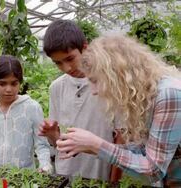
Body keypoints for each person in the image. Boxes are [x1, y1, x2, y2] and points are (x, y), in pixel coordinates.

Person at [56, 34, 181, 187]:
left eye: (95, 80)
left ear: (117, 74)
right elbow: (144, 152)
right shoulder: (147, 96)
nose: (94, 91)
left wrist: (96, 144)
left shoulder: (169, 95)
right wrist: (88, 147)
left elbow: (153, 170)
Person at [39, 19, 123, 181]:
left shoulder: (108, 84)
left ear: (85, 48)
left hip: (99, 176)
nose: (66, 68)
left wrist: (114, 182)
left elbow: (121, 139)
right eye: (58, 63)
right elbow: (60, 142)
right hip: (65, 174)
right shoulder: (56, 87)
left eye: (70, 59)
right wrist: (52, 134)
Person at [0, 55, 52, 173]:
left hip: (23, 175)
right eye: (2, 84)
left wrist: (45, 165)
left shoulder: (32, 108)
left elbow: (41, 145)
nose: (9, 89)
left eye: (14, 84)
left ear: (20, 83)